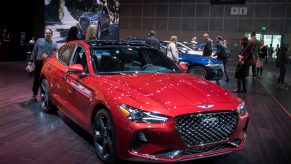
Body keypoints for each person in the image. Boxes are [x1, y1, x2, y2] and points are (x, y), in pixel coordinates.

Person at [29, 28, 58, 100]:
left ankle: (44, 95)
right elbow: (34, 51)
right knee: (36, 79)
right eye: (46, 33)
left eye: (49, 33)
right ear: (44, 34)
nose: (47, 34)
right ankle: (34, 94)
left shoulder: (54, 44)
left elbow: (55, 54)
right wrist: (31, 60)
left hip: (48, 64)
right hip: (39, 62)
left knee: (46, 80)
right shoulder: (39, 40)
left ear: (51, 35)